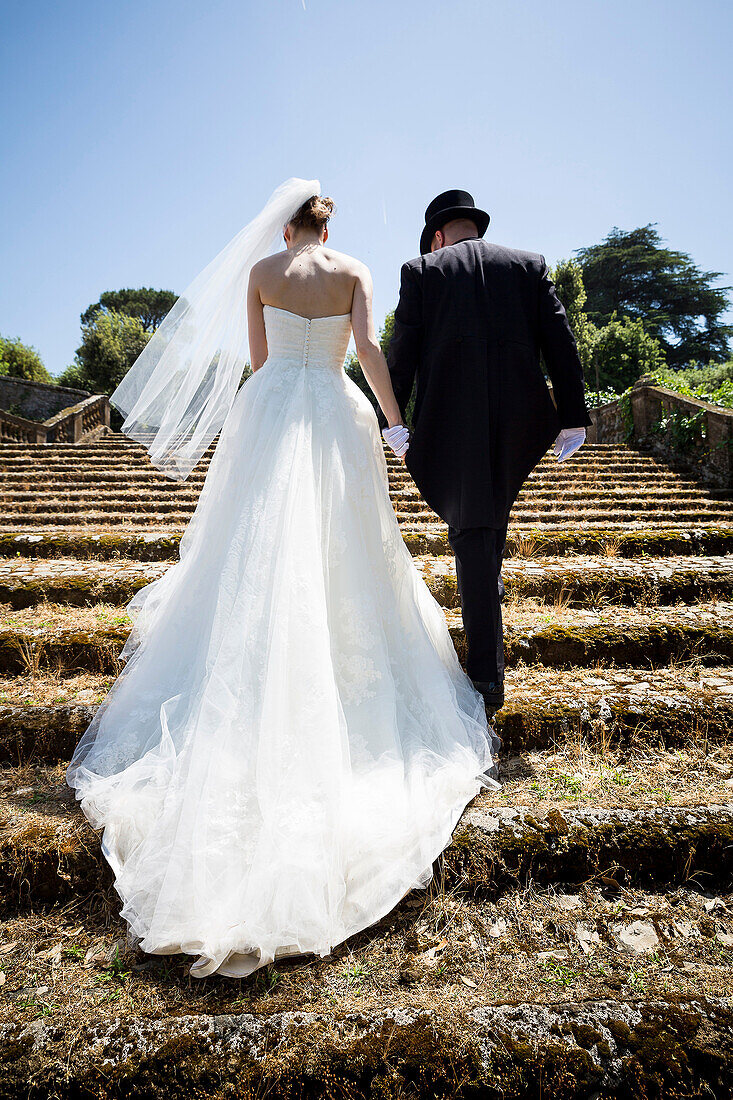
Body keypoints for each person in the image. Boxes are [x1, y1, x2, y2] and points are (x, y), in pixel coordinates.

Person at [65, 180, 499, 980]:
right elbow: (367, 352)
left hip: (270, 408)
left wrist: (285, 376)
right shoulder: (359, 270)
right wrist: (395, 419)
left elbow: (260, 361)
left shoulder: (261, 273)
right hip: (337, 408)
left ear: (286, 222)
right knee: (343, 539)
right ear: (329, 225)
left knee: (252, 540)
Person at [384, 189, 592, 717]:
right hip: (519, 420)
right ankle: (488, 633)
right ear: (472, 227)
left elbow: (401, 357)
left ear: (436, 236)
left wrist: (390, 424)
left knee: (473, 532)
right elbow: (562, 342)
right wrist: (572, 416)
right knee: (485, 528)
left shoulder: (422, 271)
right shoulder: (528, 265)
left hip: (450, 426)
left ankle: (485, 681)